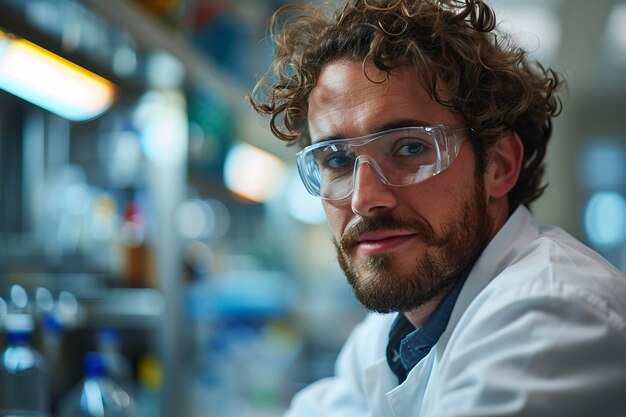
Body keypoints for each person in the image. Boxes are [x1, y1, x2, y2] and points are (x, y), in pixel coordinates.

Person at [248, 0, 626, 416]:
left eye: (409, 148)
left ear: (499, 165)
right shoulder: (393, 333)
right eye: (337, 160)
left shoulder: (554, 315)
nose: (363, 198)